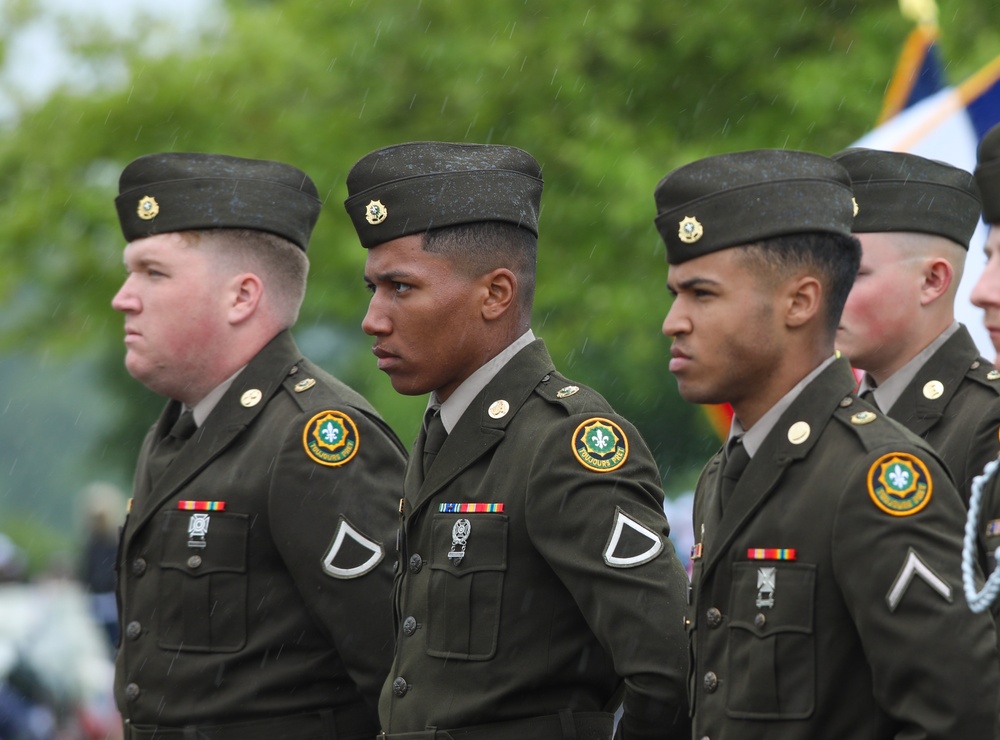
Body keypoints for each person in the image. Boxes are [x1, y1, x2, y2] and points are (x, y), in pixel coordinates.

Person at [344, 142, 690, 739]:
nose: (374, 317)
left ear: (495, 294)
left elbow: (669, 672)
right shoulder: (443, 431)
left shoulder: (564, 442)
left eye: (400, 287)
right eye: (374, 288)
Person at [655, 148, 999, 739]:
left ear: (800, 300)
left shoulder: (881, 473)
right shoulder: (727, 470)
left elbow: (957, 713)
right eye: (677, 294)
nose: (674, 322)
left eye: (703, 295)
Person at [111, 152, 406, 739]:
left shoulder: (314, 438)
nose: (124, 297)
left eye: (153, 273)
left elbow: (401, 678)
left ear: (241, 297)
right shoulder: (175, 433)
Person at [832, 147, 1000, 505]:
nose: (828, 296)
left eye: (853, 274)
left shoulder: (987, 421)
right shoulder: (830, 417)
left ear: (932, 281)